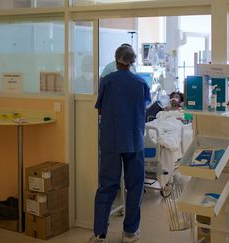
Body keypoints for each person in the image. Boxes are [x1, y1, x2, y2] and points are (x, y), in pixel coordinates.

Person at [90, 45, 151, 243]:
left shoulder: (107, 81)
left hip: (111, 141)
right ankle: (130, 232)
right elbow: (144, 109)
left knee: (107, 186)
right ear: (132, 61)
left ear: (116, 60)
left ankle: (100, 234)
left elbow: (100, 109)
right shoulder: (141, 83)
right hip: (134, 141)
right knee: (134, 186)